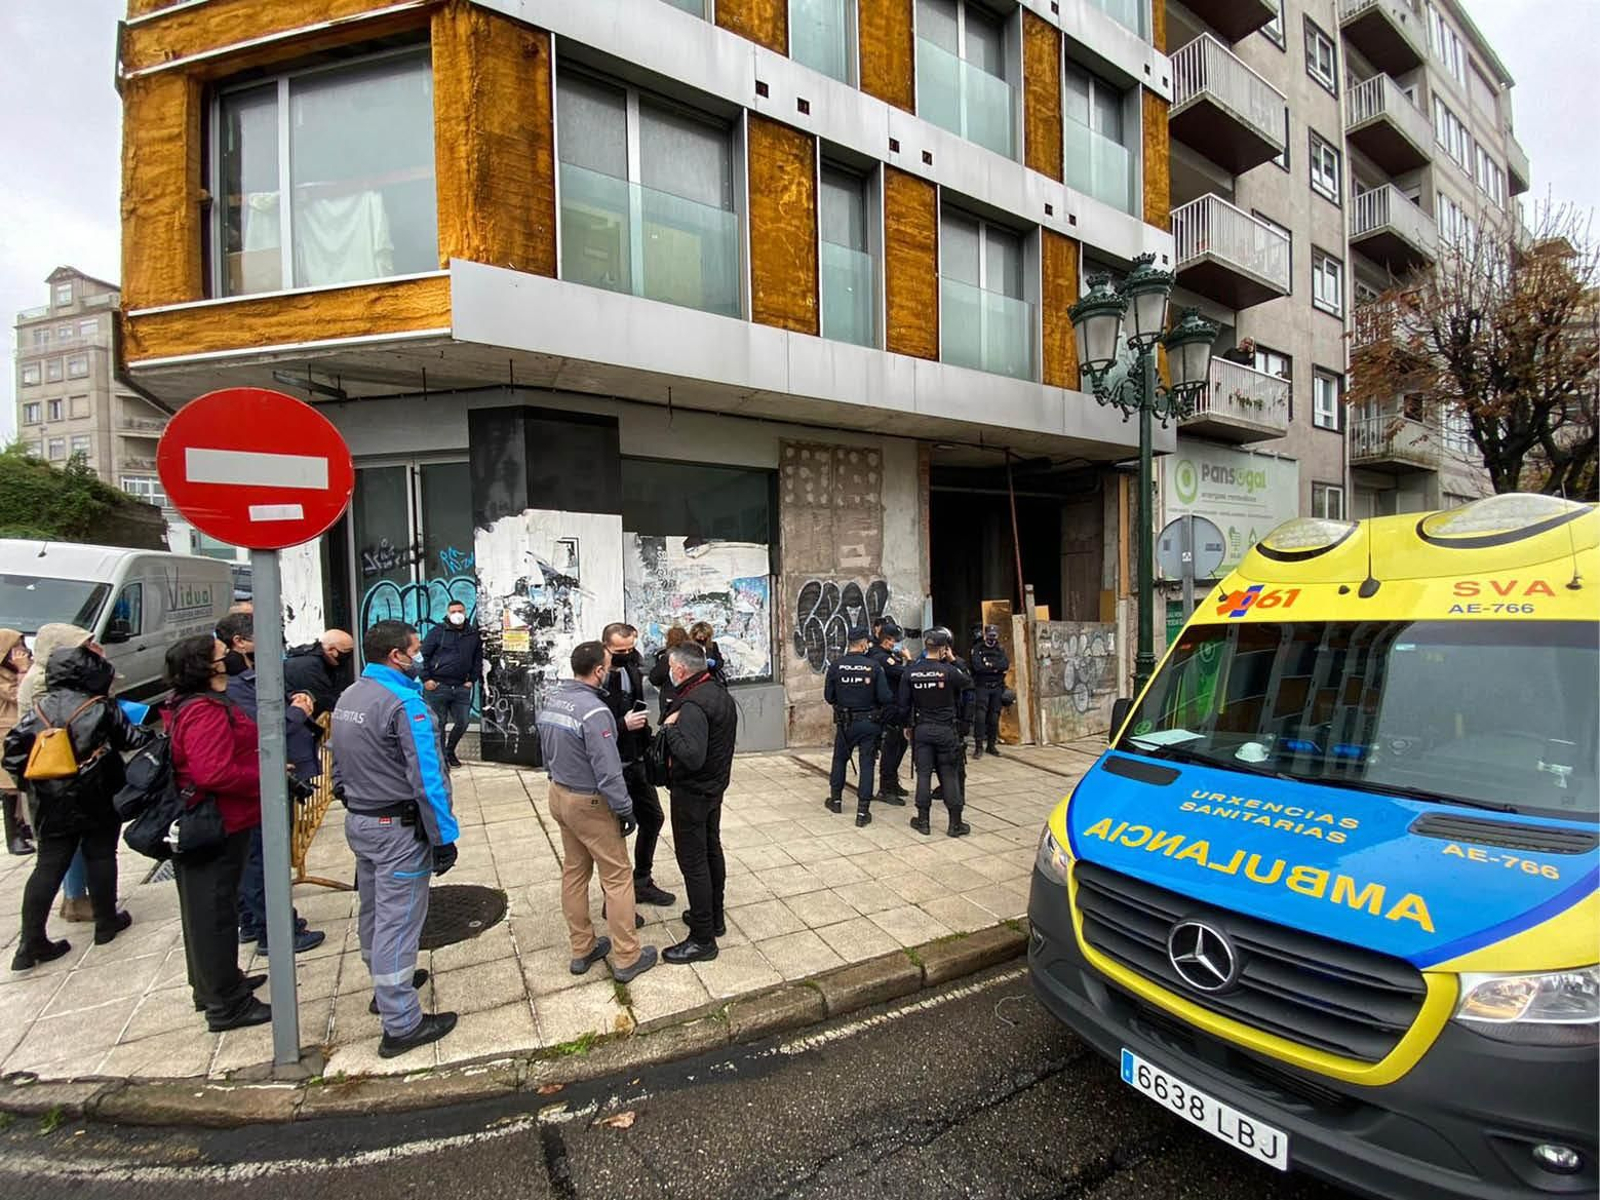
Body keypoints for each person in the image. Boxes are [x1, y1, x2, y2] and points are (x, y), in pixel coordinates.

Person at [331, 620, 459, 1058]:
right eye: (415, 650)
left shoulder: (351, 695)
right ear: (396, 656)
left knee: (373, 911)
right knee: (399, 922)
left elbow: (337, 762)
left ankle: (384, 989)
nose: (419, 656)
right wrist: (444, 837)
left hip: (362, 822)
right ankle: (402, 1023)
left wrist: (351, 797)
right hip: (398, 829)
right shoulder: (406, 704)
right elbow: (427, 779)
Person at [4, 632, 149, 970]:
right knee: (100, 854)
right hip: (96, 793)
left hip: (49, 801)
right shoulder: (99, 707)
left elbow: (13, 756)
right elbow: (133, 738)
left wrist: (34, 784)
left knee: (48, 865)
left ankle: (30, 942)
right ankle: (105, 921)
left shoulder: (36, 710)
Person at [535, 641, 659, 984]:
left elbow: (544, 752)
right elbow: (607, 770)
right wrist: (624, 809)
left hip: (559, 795)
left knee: (574, 872)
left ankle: (582, 948)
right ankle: (627, 957)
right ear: (599, 671)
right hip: (590, 803)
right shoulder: (594, 711)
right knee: (617, 877)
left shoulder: (553, 700)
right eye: (608, 665)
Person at [163, 635, 271, 1029]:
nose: (232, 658)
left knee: (210, 910)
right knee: (213, 914)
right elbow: (214, 772)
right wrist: (267, 773)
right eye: (223, 655)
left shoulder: (194, 705)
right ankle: (226, 1004)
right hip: (216, 823)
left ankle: (214, 985)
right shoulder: (204, 711)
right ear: (206, 667)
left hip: (223, 820)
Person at [216, 612, 326, 955]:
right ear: (240, 642)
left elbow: (284, 698)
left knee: (259, 857)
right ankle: (275, 931)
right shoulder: (233, 688)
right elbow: (267, 724)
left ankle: (253, 921)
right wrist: (298, 712)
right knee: (264, 859)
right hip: (258, 783)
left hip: (268, 777)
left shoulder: (253, 675)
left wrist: (301, 698)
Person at [659, 641, 738, 964]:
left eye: (670, 668)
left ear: (679, 670)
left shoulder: (692, 704)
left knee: (694, 862)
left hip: (693, 792)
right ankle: (713, 917)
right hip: (713, 787)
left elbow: (691, 755)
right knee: (710, 849)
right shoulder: (718, 691)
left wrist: (668, 729)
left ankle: (702, 938)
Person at [600, 622, 674, 908]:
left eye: (631, 648)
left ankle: (642, 880)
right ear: (606, 646)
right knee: (614, 832)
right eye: (620, 650)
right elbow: (592, 726)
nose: (627, 653)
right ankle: (614, 899)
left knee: (653, 818)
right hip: (612, 764)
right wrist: (622, 724)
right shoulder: (599, 674)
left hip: (637, 757)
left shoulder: (633, 663)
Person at [898, 627, 972, 839]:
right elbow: (968, 684)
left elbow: (903, 705)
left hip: (921, 729)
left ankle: (923, 821)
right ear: (943, 649)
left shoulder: (911, 672)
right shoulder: (949, 671)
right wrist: (954, 660)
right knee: (948, 773)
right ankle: (955, 823)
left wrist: (906, 726)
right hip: (946, 729)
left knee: (923, 774)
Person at [824, 627, 892, 827]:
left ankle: (836, 801)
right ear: (863, 644)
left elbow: (829, 697)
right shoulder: (874, 667)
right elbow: (885, 697)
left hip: (845, 723)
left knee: (839, 760)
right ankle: (863, 811)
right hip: (869, 722)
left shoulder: (836, 666)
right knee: (867, 765)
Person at [420, 601, 481, 770]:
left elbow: (477, 659)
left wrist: (472, 680)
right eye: (453, 611)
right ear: (448, 613)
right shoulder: (438, 632)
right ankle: (440, 759)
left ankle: (449, 751)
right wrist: (426, 679)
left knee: (463, 722)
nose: (457, 614)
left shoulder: (473, 634)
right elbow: (422, 656)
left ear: (465, 612)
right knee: (438, 724)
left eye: (460, 610)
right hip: (438, 687)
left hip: (461, 687)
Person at [866, 621, 910, 802]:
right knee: (892, 747)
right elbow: (905, 674)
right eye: (893, 640)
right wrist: (909, 659)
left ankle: (892, 782)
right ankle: (886, 788)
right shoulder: (882, 657)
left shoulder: (885, 654)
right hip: (888, 709)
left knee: (901, 744)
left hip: (895, 707)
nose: (895, 644)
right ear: (886, 640)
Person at [1, 630, 36, 856]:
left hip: (22, 731)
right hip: (4, 733)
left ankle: (24, 826)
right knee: (10, 786)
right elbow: (19, 695)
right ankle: (13, 836)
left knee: (23, 782)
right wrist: (23, 669)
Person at [283, 629, 355, 716]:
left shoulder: (326, 663)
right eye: (345, 651)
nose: (348, 657)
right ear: (331, 649)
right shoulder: (310, 667)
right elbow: (326, 702)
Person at [969, 625, 1009, 759]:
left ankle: (991, 745)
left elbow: (1005, 665)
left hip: (997, 687)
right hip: (982, 687)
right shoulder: (978, 649)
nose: (992, 637)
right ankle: (978, 747)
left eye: (994, 635)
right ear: (985, 635)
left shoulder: (1000, 649)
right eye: (990, 635)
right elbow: (977, 667)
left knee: (994, 717)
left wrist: (989, 666)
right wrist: (994, 668)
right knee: (980, 717)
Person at [648, 626, 690, 721]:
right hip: (691, 695)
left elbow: (654, 678)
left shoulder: (668, 657)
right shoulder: (693, 654)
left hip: (671, 697)